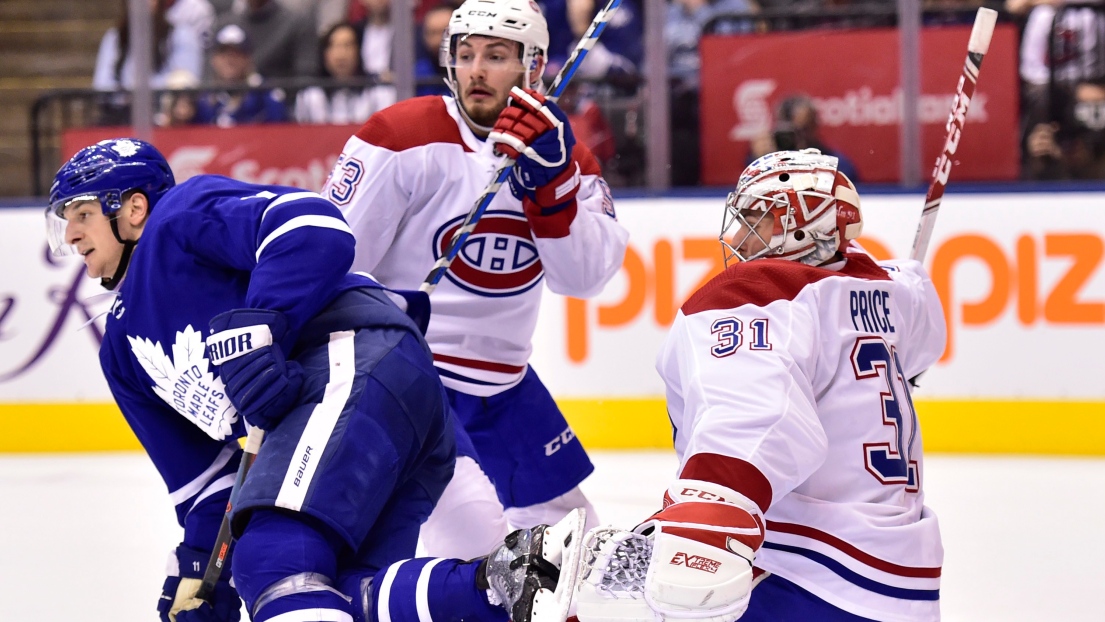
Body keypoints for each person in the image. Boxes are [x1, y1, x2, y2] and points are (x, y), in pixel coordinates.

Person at [46, 137, 587, 622]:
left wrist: (260, 323)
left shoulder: (178, 218)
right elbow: (209, 483)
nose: (70, 235)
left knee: (273, 558)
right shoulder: (121, 353)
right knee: (332, 586)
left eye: (82, 214)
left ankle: (507, 576)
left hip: (354, 361)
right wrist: (199, 570)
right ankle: (505, 585)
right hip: (372, 405)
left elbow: (315, 225)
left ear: (133, 209)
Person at [574, 149, 947, 622]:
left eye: (757, 218)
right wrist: (908, 284)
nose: (735, 235)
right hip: (906, 582)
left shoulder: (758, 294)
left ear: (803, 224)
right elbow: (923, 338)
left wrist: (707, 517)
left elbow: (758, 420)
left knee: (597, 605)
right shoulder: (894, 293)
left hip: (812, 574)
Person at [322, 0, 629, 560]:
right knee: (475, 553)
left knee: (572, 546)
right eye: (465, 55)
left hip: (504, 388)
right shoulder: (400, 136)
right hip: (412, 380)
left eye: (495, 56)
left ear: (534, 65)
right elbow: (331, 256)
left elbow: (583, 279)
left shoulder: (564, 155)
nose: (477, 70)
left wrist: (553, 188)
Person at [294, 22, 396, 124]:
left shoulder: (377, 92)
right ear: (324, 53)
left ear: (358, 51)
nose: (341, 55)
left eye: (347, 46)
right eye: (334, 46)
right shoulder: (309, 96)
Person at [93, 0, 204, 92]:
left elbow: (185, 82)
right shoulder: (114, 37)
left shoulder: (181, 35)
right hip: (120, 113)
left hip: (165, 113)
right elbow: (102, 84)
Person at [194, 24, 288, 126]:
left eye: (236, 53)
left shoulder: (264, 94)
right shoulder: (203, 100)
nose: (229, 60)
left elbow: (278, 131)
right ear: (213, 59)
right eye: (223, 53)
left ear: (248, 59)